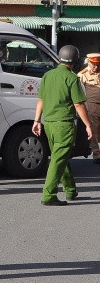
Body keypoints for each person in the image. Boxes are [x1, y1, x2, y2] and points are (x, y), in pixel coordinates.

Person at [33, 45, 93, 206]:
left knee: (60, 157)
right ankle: (49, 195)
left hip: (49, 124)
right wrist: (88, 125)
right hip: (64, 125)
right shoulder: (72, 78)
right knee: (58, 159)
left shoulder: (48, 75)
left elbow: (41, 100)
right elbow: (79, 104)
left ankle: (70, 190)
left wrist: (37, 121)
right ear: (75, 60)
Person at [77, 52, 100, 164]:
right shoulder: (82, 75)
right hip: (92, 105)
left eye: (98, 65)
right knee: (94, 129)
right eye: (94, 64)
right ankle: (96, 154)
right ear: (89, 62)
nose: (96, 67)